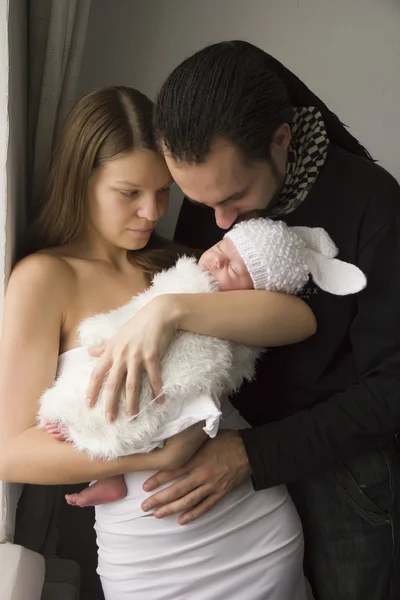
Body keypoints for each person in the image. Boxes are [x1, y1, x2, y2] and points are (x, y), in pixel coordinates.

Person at [85, 43, 400, 600]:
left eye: (233, 198)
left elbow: (391, 390)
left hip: (343, 475)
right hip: (226, 453)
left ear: (280, 140)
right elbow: (194, 331)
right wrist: (124, 453)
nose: (219, 223)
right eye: (200, 202)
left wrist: (250, 455)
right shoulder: (212, 198)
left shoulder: (375, 207)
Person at [0, 85, 318, 600]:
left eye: (164, 191)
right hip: (152, 553)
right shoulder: (45, 278)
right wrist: (157, 455)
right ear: (81, 181)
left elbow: (297, 320)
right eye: (130, 193)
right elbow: (12, 452)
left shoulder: (178, 268)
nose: (151, 212)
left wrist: (169, 310)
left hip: (251, 528)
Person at [40, 217, 365, 509]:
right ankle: (110, 475)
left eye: (234, 270)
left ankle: (109, 465)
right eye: (222, 245)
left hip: (239, 495)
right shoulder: (182, 267)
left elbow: (299, 320)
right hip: (159, 508)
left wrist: (169, 310)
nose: (217, 260)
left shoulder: (229, 310)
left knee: (155, 405)